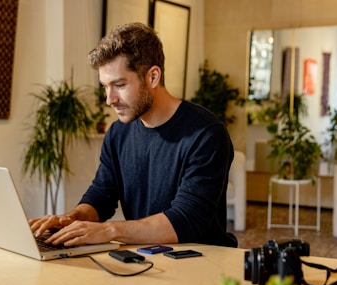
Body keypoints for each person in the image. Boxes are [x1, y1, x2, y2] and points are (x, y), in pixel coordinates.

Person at [30, 22, 237, 248]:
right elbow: (102, 195)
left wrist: (108, 231)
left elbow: (186, 220)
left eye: (119, 85)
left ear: (153, 77)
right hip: (146, 259)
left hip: (200, 264)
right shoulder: (118, 133)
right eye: (105, 87)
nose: (110, 99)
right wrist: (70, 220)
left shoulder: (206, 134)